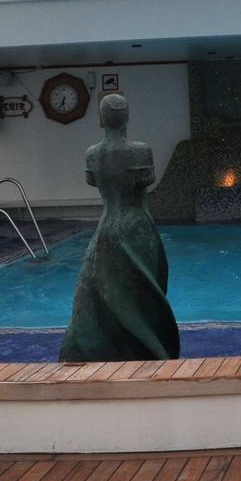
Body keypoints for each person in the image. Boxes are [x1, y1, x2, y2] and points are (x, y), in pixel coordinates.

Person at [59, 94, 181, 362]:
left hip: (107, 227)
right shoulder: (140, 151)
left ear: (102, 120)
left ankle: (99, 349)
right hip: (137, 225)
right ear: (127, 117)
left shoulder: (93, 154)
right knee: (143, 291)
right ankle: (149, 350)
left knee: (100, 291)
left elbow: (93, 181)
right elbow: (146, 181)